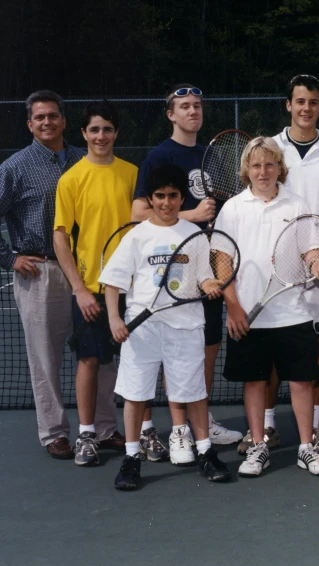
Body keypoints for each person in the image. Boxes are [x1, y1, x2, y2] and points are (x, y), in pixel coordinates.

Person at [236, 74, 319, 455]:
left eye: (313, 102)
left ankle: (318, 423)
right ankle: (268, 426)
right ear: (288, 105)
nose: (306, 108)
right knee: (271, 346)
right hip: (272, 271)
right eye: (299, 101)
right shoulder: (270, 150)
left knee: (315, 343)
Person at [0, 90, 90, 460]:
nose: (48, 122)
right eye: (40, 118)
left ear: (64, 121)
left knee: (96, 354)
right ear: (30, 125)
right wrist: (8, 258)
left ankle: (100, 428)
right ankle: (54, 432)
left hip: (87, 274)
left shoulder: (86, 161)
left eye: (54, 115)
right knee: (45, 357)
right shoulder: (15, 167)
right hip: (41, 272)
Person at [101, 165, 231, 489]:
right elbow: (112, 283)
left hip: (186, 326)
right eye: (160, 196)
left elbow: (203, 276)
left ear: (180, 197)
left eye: (173, 196)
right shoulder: (136, 236)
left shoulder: (195, 235)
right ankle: (131, 459)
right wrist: (116, 319)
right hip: (142, 329)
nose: (166, 202)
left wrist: (211, 283)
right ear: (150, 198)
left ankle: (205, 452)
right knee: (135, 395)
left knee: (195, 393)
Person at [131, 83, 242, 456]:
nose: (193, 111)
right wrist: (191, 216)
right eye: (184, 107)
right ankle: (179, 428)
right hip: (174, 270)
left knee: (206, 348)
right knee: (174, 349)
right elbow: (138, 214)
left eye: (197, 105)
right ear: (171, 115)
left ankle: (202, 422)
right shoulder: (158, 157)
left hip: (209, 266)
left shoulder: (210, 155)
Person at [215, 136, 319, 478]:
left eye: (269, 164)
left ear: (280, 169)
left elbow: (309, 250)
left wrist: (316, 265)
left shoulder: (297, 205)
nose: (263, 171)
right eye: (255, 165)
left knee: (301, 381)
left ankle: (306, 447)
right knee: (254, 382)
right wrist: (234, 307)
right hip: (248, 316)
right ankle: (258, 446)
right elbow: (222, 260)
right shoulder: (234, 209)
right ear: (246, 171)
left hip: (293, 312)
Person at [53, 101, 136, 466]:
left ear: (116, 133)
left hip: (133, 288)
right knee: (89, 360)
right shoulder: (70, 179)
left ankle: (134, 431)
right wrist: (80, 288)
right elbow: (61, 238)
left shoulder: (132, 173)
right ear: (83, 134)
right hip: (92, 289)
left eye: (107, 129)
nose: (101, 136)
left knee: (133, 362)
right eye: (94, 130)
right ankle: (87, 433)